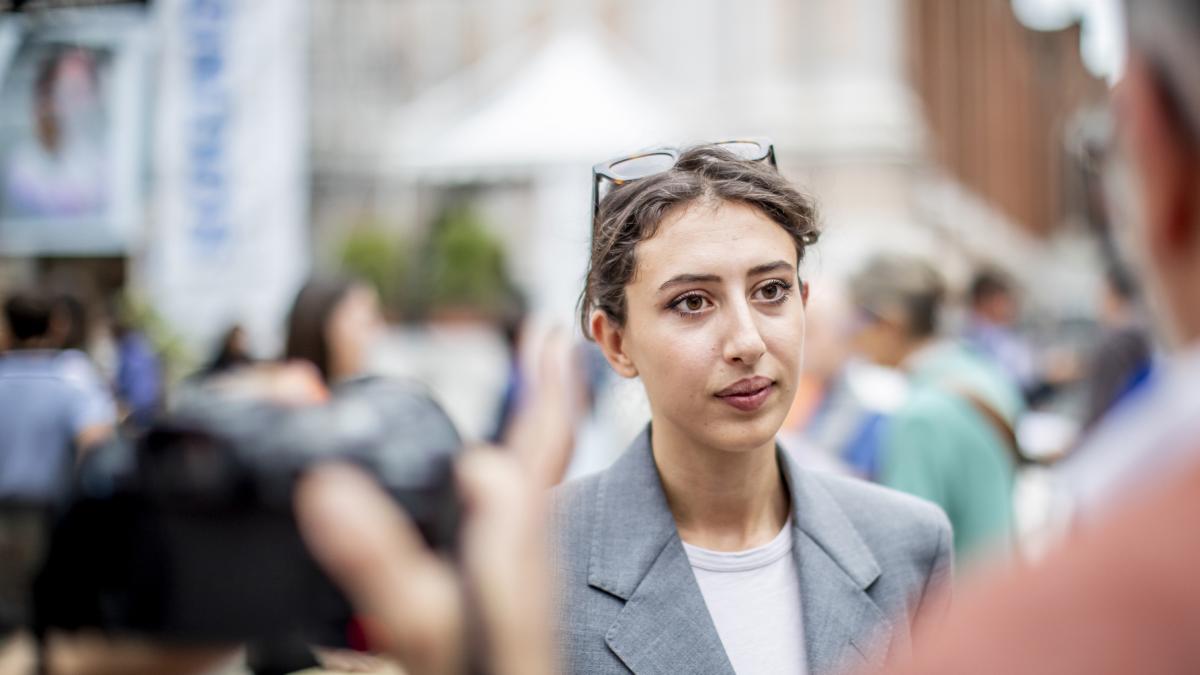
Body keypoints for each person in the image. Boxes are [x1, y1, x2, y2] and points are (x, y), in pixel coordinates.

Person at [554, 142, 951, 675]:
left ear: (804, 305)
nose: (747, 341)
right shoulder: (537, 562)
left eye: (771, 290)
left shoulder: (909, 545)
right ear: (616, 344)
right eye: (692, 302)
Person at [847, 255, 1023, 567]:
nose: (853, 336)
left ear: (890, 321)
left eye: (858, 321)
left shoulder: (920, 418)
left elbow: (906, 551)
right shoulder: (987, 376)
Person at [284, 277, 384, 385]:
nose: (379, 332)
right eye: (366, 323)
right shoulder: (291, 391)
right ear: (326, 330)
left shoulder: (365, 389)